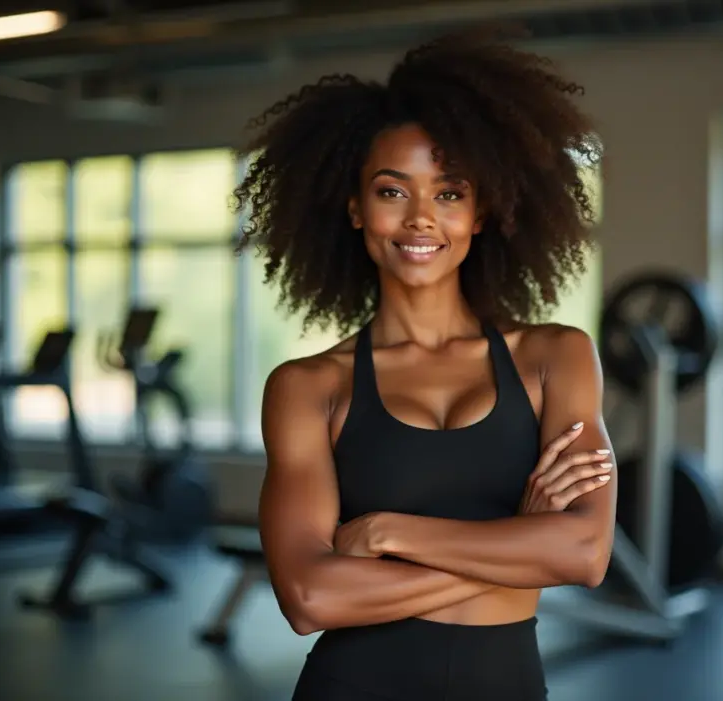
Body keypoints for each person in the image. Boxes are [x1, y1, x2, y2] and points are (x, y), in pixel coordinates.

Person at [235, 26, 618, 701]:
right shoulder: (308, 387)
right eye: (392, 192)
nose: (420, 218)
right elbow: (310, 597)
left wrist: (389, 532)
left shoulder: (555, 357)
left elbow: (585, 554)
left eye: (448, 193)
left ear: (481, 211)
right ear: (356, 209)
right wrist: (520, 543)